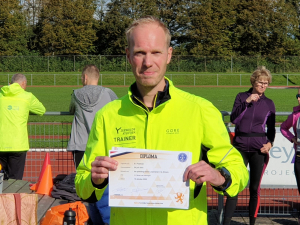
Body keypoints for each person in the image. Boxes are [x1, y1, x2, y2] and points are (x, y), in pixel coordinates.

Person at [75, 16, 249, 225]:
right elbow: (82, 184)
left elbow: (238, 170)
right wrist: (95, 180)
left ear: (168, 55)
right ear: (128, 56)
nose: (148, 62)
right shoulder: (108, 115)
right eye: (140, 53)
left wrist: (218, 176)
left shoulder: (199, 110)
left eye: (156, 52)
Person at [223, 66, 276, 225]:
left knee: (254, 189)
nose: (263, 86)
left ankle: (252, 223)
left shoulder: (269, 103)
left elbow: (272, 129)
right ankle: (226, 222)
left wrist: (270, 144)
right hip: (239, 147)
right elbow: (234, 119)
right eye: (261, 82)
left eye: (266, 83)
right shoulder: (241, 97)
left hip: (258, 149)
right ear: (253, 82)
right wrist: (247, 102)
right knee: (234, 187)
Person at [67, 64, 118, 225]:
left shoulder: (76, 94)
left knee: (84, 183)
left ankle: (85, 215)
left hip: (81, 145)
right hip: (102, 144)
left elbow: (70, 110)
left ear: (85, 77)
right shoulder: (108, 93)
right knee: (106, 183)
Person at [0, 73, 46, 179]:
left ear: (10, 84)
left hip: (1, 144)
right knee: (15, 180)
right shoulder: (27, 96)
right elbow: (41, 110)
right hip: (18, 144)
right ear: (23, 84)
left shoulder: (1, 94)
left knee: (1, 179)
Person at [280, 89, 300, 224]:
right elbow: (283, 127)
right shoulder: (295, 115)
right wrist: (292, 139)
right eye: (298, 96)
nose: (299, 99)